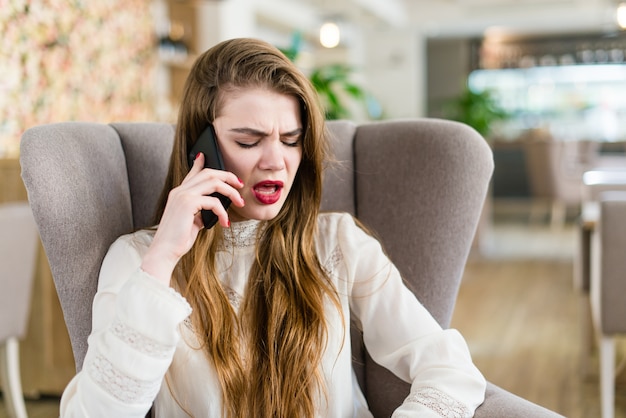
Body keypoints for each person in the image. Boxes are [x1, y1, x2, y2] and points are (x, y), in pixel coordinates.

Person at [59, 37, 486, 418]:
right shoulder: (139, 260)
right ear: (200, 147)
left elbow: (449, 370)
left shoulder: (339, 244)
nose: (276, 162)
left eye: (291, 139)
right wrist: (164, 258)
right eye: (248, 141)